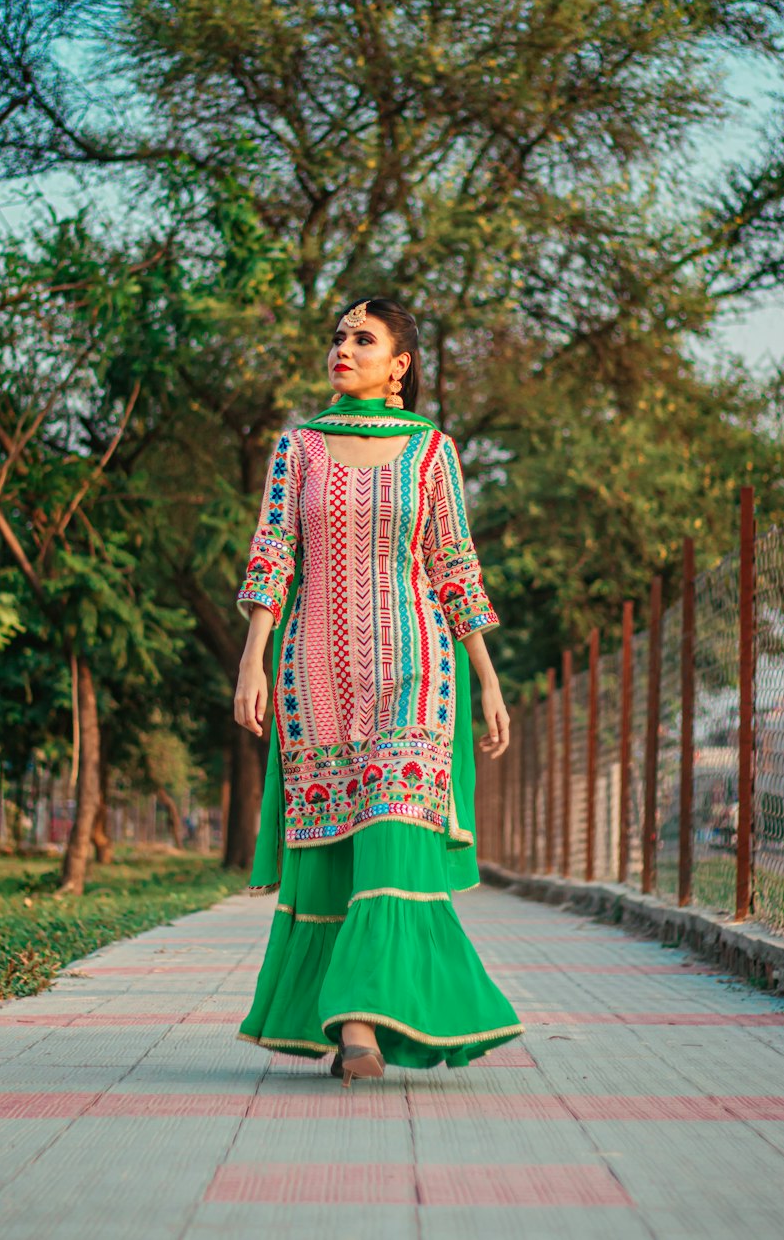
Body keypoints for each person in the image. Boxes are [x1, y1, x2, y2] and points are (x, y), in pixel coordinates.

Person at [234, 296, 522, 1086]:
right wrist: (252, 660)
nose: (344, 348)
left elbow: (454, 566)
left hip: (417, 666)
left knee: (393, 826)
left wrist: (488, 679)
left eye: (363, 339)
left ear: (399, 364)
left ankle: (361, 1026)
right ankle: (350, 1017)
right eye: (337, 337)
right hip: (313, 672)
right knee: (332, 843)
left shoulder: (431, 451)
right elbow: (271, 556)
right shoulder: (298, 449)